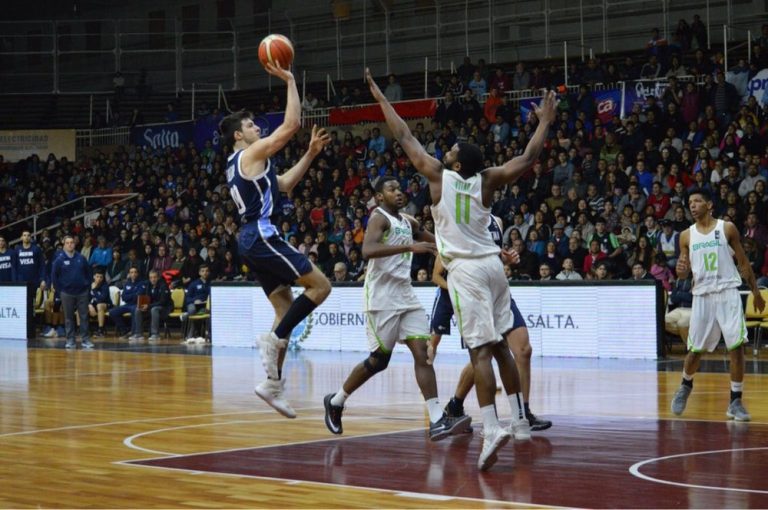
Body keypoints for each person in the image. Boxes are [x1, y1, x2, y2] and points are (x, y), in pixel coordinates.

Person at [367, 68, 557, 471]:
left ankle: (492, 427)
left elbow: (403, 135)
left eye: (451, 149)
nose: (447, 150)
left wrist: (381, 98)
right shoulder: (487, 180)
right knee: (504, 345)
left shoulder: (439, 178)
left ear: (456, 161)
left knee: (480, 351)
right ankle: (519, 417)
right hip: (494, 267)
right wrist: (545, 123)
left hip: (467, 272)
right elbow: (528, 157)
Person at [219, 60, 332, 419]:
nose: (256, 128)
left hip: (251, 239)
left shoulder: (249, 163)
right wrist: (290, 80)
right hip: (260, 233)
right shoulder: (249, 153)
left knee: (285, 310)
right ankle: (273, 340)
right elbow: (291, 125)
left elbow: (284, 185)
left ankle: (272, 383)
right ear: (239, 134)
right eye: (250, 125)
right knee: (321, 286)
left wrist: (311, 154)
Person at [323, 177, 467, 440]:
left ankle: (436, 419)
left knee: (422, 353)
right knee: (379, 361)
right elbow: (367, 250)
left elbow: (436, 243)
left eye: (400, 188)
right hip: (380, 297)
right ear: (379, 197)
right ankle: (336, 401)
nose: (398, 192)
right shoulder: (379, 218)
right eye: (391, 189)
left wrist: (458, 250)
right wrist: (409, 246)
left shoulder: (408, 221)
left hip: (405, 293)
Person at [429, 214, 552, 432]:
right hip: (470, 293)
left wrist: (507, 258)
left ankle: (523, 413)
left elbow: (493, 256)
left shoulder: (497, 220)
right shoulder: (459, 221)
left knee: (523, 350)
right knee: (483, 354)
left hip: (498, 290)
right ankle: (459, 406)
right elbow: (437, 274)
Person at [671, 189, 765, 421]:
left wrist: (756, 292)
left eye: (697, 201)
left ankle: (735, 401)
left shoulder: (727, 228)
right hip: (702, 295)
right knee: (695, 351)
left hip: (727, 292)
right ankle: (685, 385)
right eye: (690, 202)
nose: (692, 205)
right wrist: (680, 272)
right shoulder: (685, 235)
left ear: (709, 204)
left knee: (736, 347)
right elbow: (682, 272)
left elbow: (743, 262)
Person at [51, 236, 94, 350]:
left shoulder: (81, 258)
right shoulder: (59, 259)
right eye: (67, 243)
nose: (70, 245)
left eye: (72, 243)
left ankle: (85, 339)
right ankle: (70, 340)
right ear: (64, 245)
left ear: (74, 244)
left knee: (84, 316)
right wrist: (60, 290)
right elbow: (54, 277)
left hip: (82, 292)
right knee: (69, 318)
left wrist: (87, 286)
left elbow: (89, 273)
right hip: (67, 293)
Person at [108, 267, 146, 339]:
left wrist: (130, 295)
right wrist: (133, 295)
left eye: (135, 272)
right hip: (128, 304)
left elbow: (139, 295)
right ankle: (125, 330)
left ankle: (134, 332)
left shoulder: (142, 283)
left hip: (136, 304)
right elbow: (124, 297)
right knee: (112, 312)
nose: (133, 274)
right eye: (131, 272)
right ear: (129, 274)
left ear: (137, 273)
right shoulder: (127, 283)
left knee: (135, 310)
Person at [137, 270, 172, 342]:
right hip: (152, 306)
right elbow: (147, 298)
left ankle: (155, 334)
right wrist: (143, 305)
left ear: (158, 277)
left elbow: (163, 301)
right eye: (151, 277)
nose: (153, 279)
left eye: (154, 277)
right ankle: (138, 334)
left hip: (165, 307)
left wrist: (148, 306)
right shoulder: (148, 285)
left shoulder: (163, 285)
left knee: (154, 309)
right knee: (138, 309)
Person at [181, 264, 211, 340]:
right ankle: (192, 334)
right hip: (193, 304)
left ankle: (191, 334)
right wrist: (194, 301)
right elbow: (187, 298)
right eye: (203, 271)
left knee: (204, 313)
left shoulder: (211, 284)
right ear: (199, 273)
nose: (205, 273)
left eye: (207, 271)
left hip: (204, 306)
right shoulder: (193, 284)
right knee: (192, 310)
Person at [88, 270, 111, 337]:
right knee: (81, 307)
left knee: (99, 305)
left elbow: (102, 299)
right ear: (94, 277)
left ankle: (101, 329)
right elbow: (86, 298)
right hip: (93, 305)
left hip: (106, 304)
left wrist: (94, 289)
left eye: (101, 277)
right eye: (97, 277)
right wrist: (89, 305)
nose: (99, 279)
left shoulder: (105, 286)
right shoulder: (89, 285)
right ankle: (82, 329)